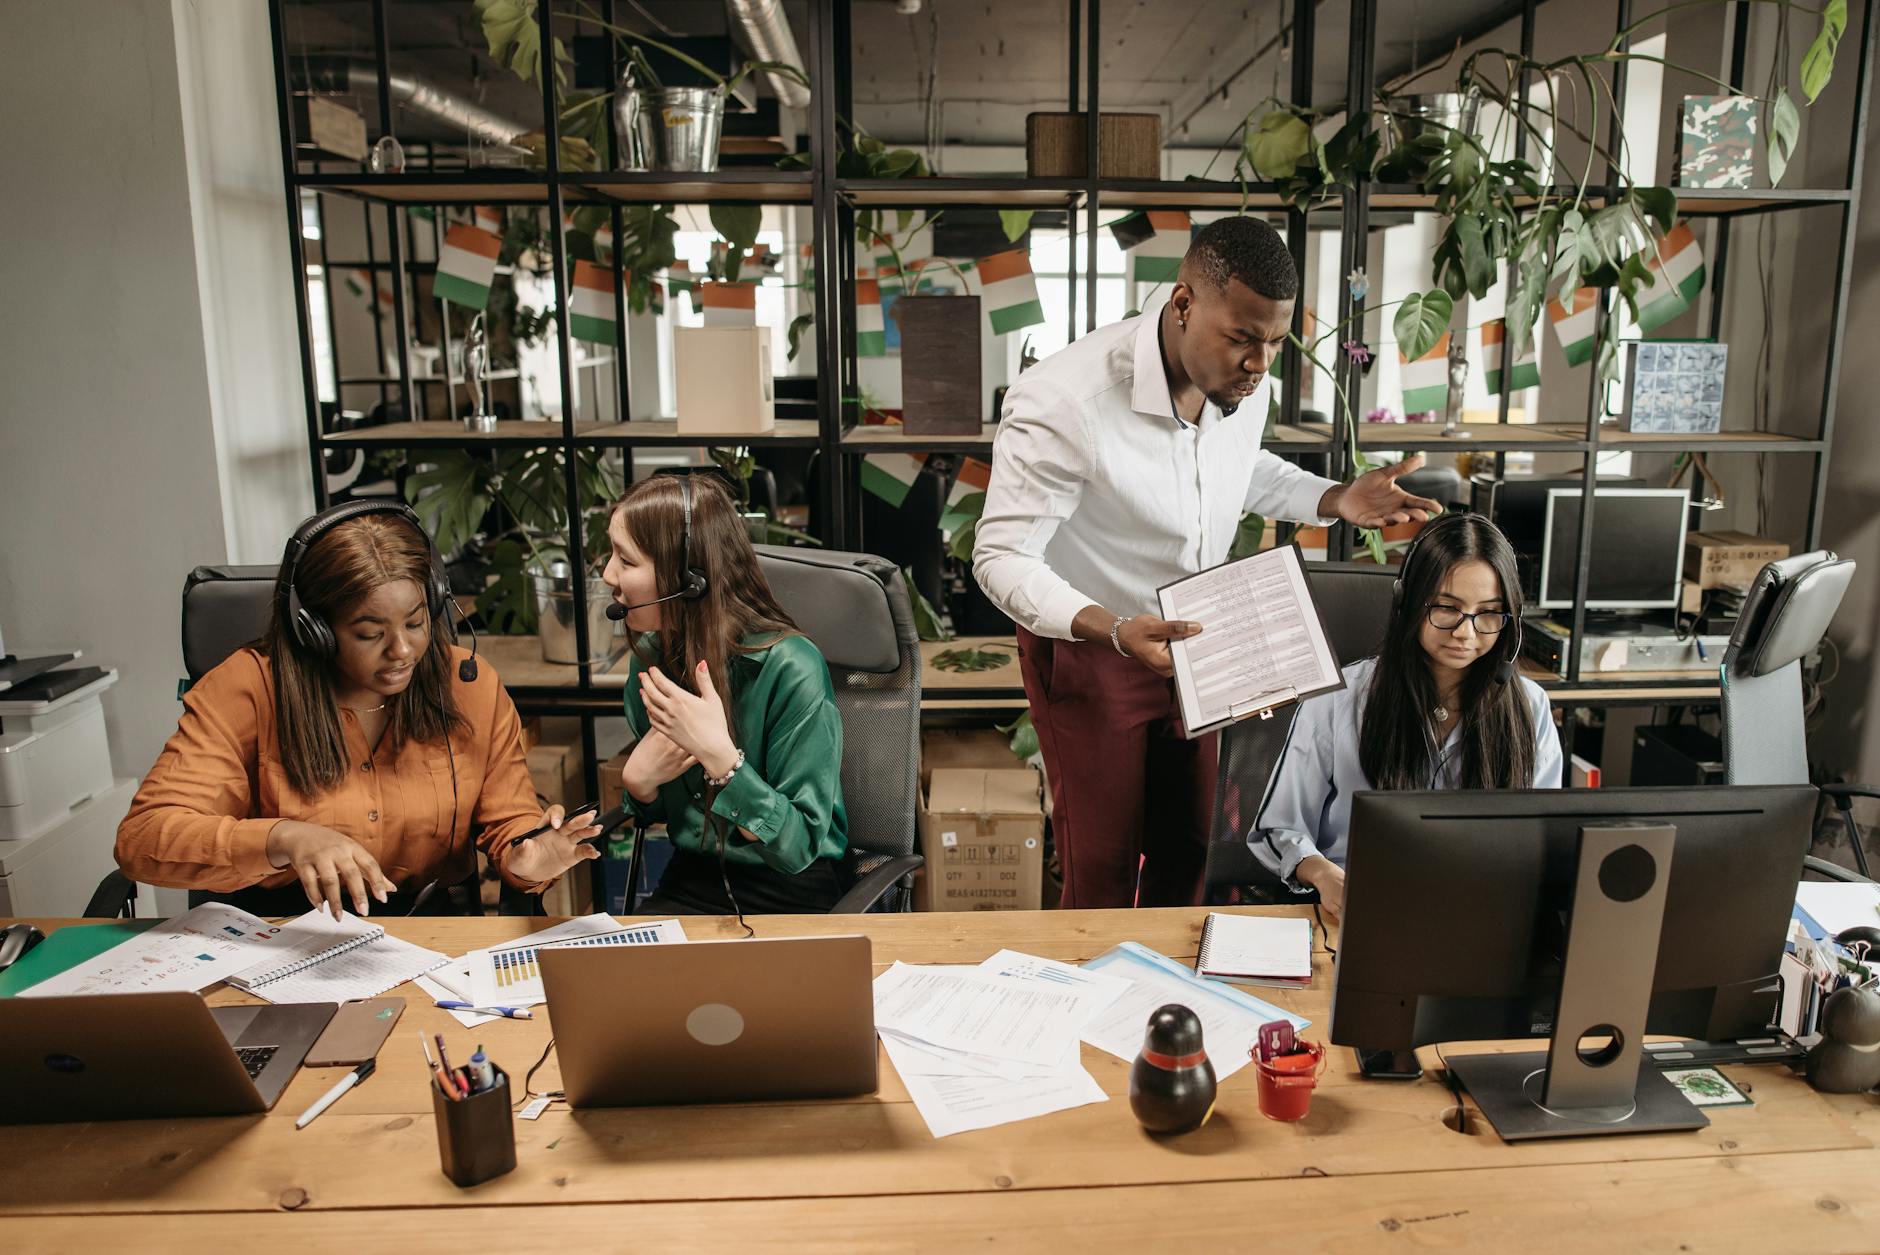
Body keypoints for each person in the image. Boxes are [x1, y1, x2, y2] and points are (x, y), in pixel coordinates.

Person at [973, 215, 1442, 909]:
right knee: (1100, 866)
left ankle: (1169, 1008)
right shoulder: (1066, 400)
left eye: (1277, 342)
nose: (1260, 363)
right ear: (1184, 303)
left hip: (1198, 640)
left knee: (1188, 850)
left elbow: (1238, 467)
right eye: (1244, 339)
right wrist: (1114, 628)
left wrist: (1335, 497)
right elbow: (1000, 555)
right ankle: (1090, 1011)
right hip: (1093, 646)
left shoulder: (1240, 382)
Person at [116, 502, 600, 919]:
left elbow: (510, 821)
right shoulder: (249, 687)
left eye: (416, 623)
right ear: (315, 630)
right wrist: (283, 839)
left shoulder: (465, 684)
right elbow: (144, 839)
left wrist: (528, 857)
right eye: (369, 634)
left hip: (427, 931)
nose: (402, 650)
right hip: (281, 938)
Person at [1249, 511, 1564, 921]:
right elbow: (1280, 828)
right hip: (1359, 912)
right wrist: (1324, 876)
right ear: (1408, 602)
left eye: (1489, 613)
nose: (1465, 633)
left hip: (1476, 916)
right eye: (1447, 608)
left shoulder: (1530, 706)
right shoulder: (1339, 699)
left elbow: (1542, 838)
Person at [604, 474, 850, 916]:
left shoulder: (791, 667)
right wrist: (639, 786)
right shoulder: (652, 659)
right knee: (616, 980)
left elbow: (797, 846)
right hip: (693, 879)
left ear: (687, 578)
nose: (608, 575)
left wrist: (723, 760)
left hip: (792, 887)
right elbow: (667, 809)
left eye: (626, 560)